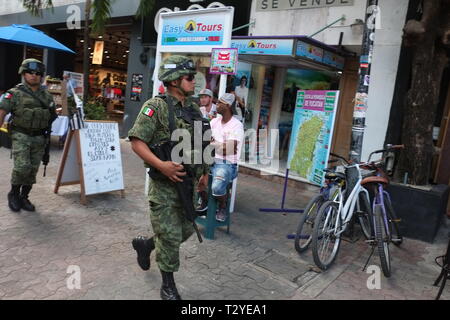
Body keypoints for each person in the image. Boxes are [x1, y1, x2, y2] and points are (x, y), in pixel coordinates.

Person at [128, 55, 209, 300]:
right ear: (173, 80)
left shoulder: (193, 108)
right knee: (171, 236)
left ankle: (147, 244)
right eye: (189, 77)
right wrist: (162, 166)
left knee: (184, 230)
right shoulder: (156, 106)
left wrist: (205, 172)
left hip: (188, 184)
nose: (194, 81)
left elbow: (202, 142)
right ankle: (168, 285)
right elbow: (136, 141)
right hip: (164, 187)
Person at [0, 58, 57, 212]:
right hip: (21, 135)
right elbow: (2, 112)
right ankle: (13, 194)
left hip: (39, 138)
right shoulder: (14, 94)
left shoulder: (46, 96)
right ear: (23, 74)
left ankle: (24, 196)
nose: (34, 75)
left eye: (38, 73)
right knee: (22, 167)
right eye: (30, 72)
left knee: (32, 169)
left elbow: (52, 116)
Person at [197, 93, 244, 222]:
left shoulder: (236, 125)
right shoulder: (214, 121)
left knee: (217, 187)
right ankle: (205, 202)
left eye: (219, 103)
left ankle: (222, 206)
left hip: (227, 163)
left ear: (227, 106)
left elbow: (229, 149)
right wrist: (219, 145)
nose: (216, 105)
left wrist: (213, 143)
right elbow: (204, 141)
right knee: (190, 174)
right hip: (210, 159)